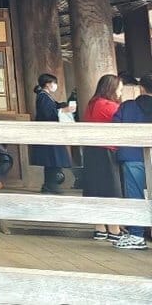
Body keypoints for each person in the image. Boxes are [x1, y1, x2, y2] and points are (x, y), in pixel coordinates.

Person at [112, 73, 152, 250]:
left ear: (141, 88)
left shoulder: (128, 106)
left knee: (135, 196)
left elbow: (115, 127)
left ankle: (136, 235)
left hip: (133, 156)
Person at [82, 74, 123, 243]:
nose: (121, 92)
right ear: (111, 88)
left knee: (95, 188)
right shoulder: (108, 106)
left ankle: (99, 228)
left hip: (92, 151)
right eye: (119, 88)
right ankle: (114, 228)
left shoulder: (92, 104)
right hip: (107, 151)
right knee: (111, 190)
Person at [30, 73, 73, 194]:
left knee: (52, 161)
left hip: (50, 132)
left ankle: (50, 185)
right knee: (52, 161)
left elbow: (53, 108)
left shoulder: (46, 96)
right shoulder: (43, 96)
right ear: (48, 84)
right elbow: (48, 114)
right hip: (49, 132)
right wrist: (63, 110)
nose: (55, 85)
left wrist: (61, 106)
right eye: (54, 83)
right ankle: (51, 186)